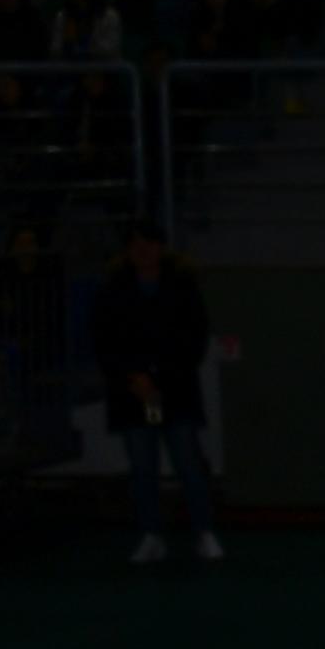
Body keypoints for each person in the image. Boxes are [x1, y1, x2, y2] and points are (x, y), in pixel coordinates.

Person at [91, 222, 220, 564]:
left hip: (174, 391)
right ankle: (150, 535)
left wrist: (160, 378)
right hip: (133, 393)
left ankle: (204, 532)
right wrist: (133, 377)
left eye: (147, 243)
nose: (142, 250)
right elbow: (104, 341)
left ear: (161, 247)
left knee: (188, 464)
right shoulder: (113, 289)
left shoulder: (182, 285)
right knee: (142, 467)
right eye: (134, 244)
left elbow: (195, 337)